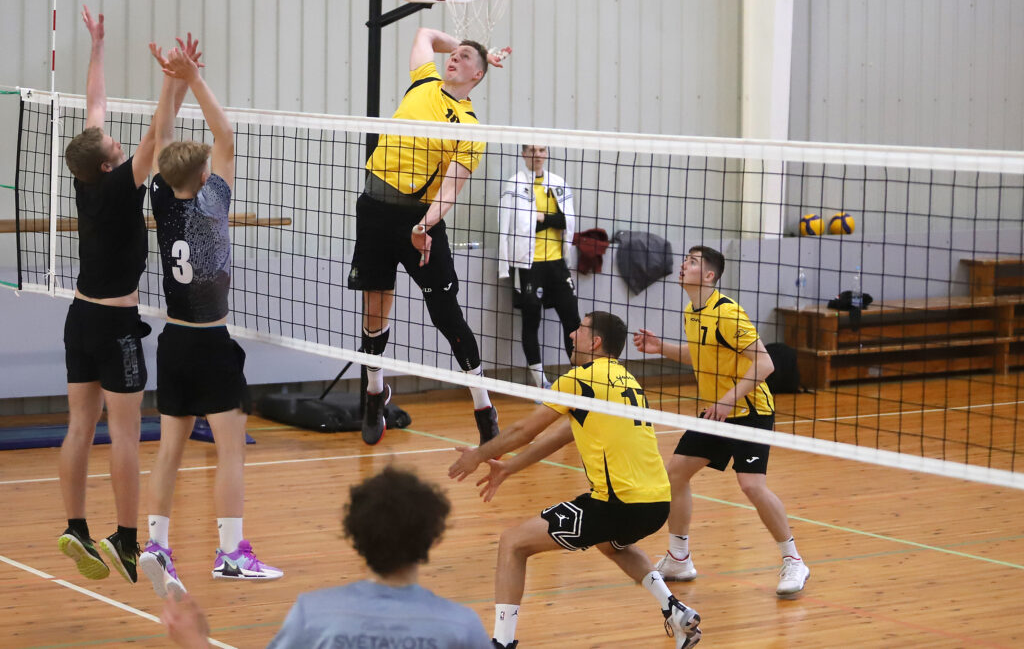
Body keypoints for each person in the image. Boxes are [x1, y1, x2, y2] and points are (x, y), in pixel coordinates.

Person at [449, 312, 702, 649]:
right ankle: (675, 609)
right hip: (656, 503)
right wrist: (509, 467)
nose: (571, 334)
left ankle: (501, 643)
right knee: (610, 544)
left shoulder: (581, 378)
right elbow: (563, 435)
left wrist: (478, 455)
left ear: (595, 342)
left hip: (618, 504)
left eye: (579, 330)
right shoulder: (625, 379)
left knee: (513, 543)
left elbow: (523, 430)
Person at [138, 43, 281, 599]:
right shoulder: (212, 203)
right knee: (230, 451)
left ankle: (157, 544)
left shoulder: (160, 196)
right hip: (213, 345)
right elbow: (225, 136)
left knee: (169, 451)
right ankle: (231, 553)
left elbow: (162, 135)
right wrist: (193, 77)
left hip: (173, 341)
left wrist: (171, 82)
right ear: (204, 177)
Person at [57, 6, 191, 584]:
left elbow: (96, 107)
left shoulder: (87, 179)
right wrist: (173, 78)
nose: (113, 135)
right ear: (110, 163)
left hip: (79, 318)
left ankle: (75, 526)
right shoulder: (118, 186)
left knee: (79, 427)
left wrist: (97, 46)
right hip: (116, 328)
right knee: (127, 435)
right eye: (114, 142)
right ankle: (127, 539)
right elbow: (158, 133)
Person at [348, 28, 510, 446]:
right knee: (374, 306)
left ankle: (483, 405)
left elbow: (451, 189)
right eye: (453, 54)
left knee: (445, 313)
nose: (454, 58)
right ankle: (374, 393)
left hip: (420, 219)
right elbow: (424, 33)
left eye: (465, 58)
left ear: (477, 75)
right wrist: (473, 47)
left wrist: (425, 225)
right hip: (374, 211)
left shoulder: (470, 128)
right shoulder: (424, 79)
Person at [632, 245, 810, 597]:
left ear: (709, 275)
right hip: (717, 413)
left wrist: (729, 398)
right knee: (675, 474)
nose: (684, 265)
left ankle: (794, 560)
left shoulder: (728, 313)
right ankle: (679, 558)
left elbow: (765, 363)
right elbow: (700, 353)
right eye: (686, 260)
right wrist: (661, 348)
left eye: (692, 262)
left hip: (750, 411)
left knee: (751, 486)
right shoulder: (692, 311)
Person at [160, 467, 491, 649]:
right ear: (433, 538)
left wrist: (195, 641)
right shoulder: (462, 627)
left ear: (354, 538)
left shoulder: (313, 615)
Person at [497, 145, 580, 390]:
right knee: (531, 320)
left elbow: (567, 221)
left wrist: (542, 217)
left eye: (542, 150)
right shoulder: (515, 184)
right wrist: (546, 221)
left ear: (547, 153)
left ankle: (579, 379)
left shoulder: (558, 183)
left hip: (557, 263)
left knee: (573, 321)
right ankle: (541, 383)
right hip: (528, 264)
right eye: (532, 150)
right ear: (524, 154)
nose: (538, 155)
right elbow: (517, 225)